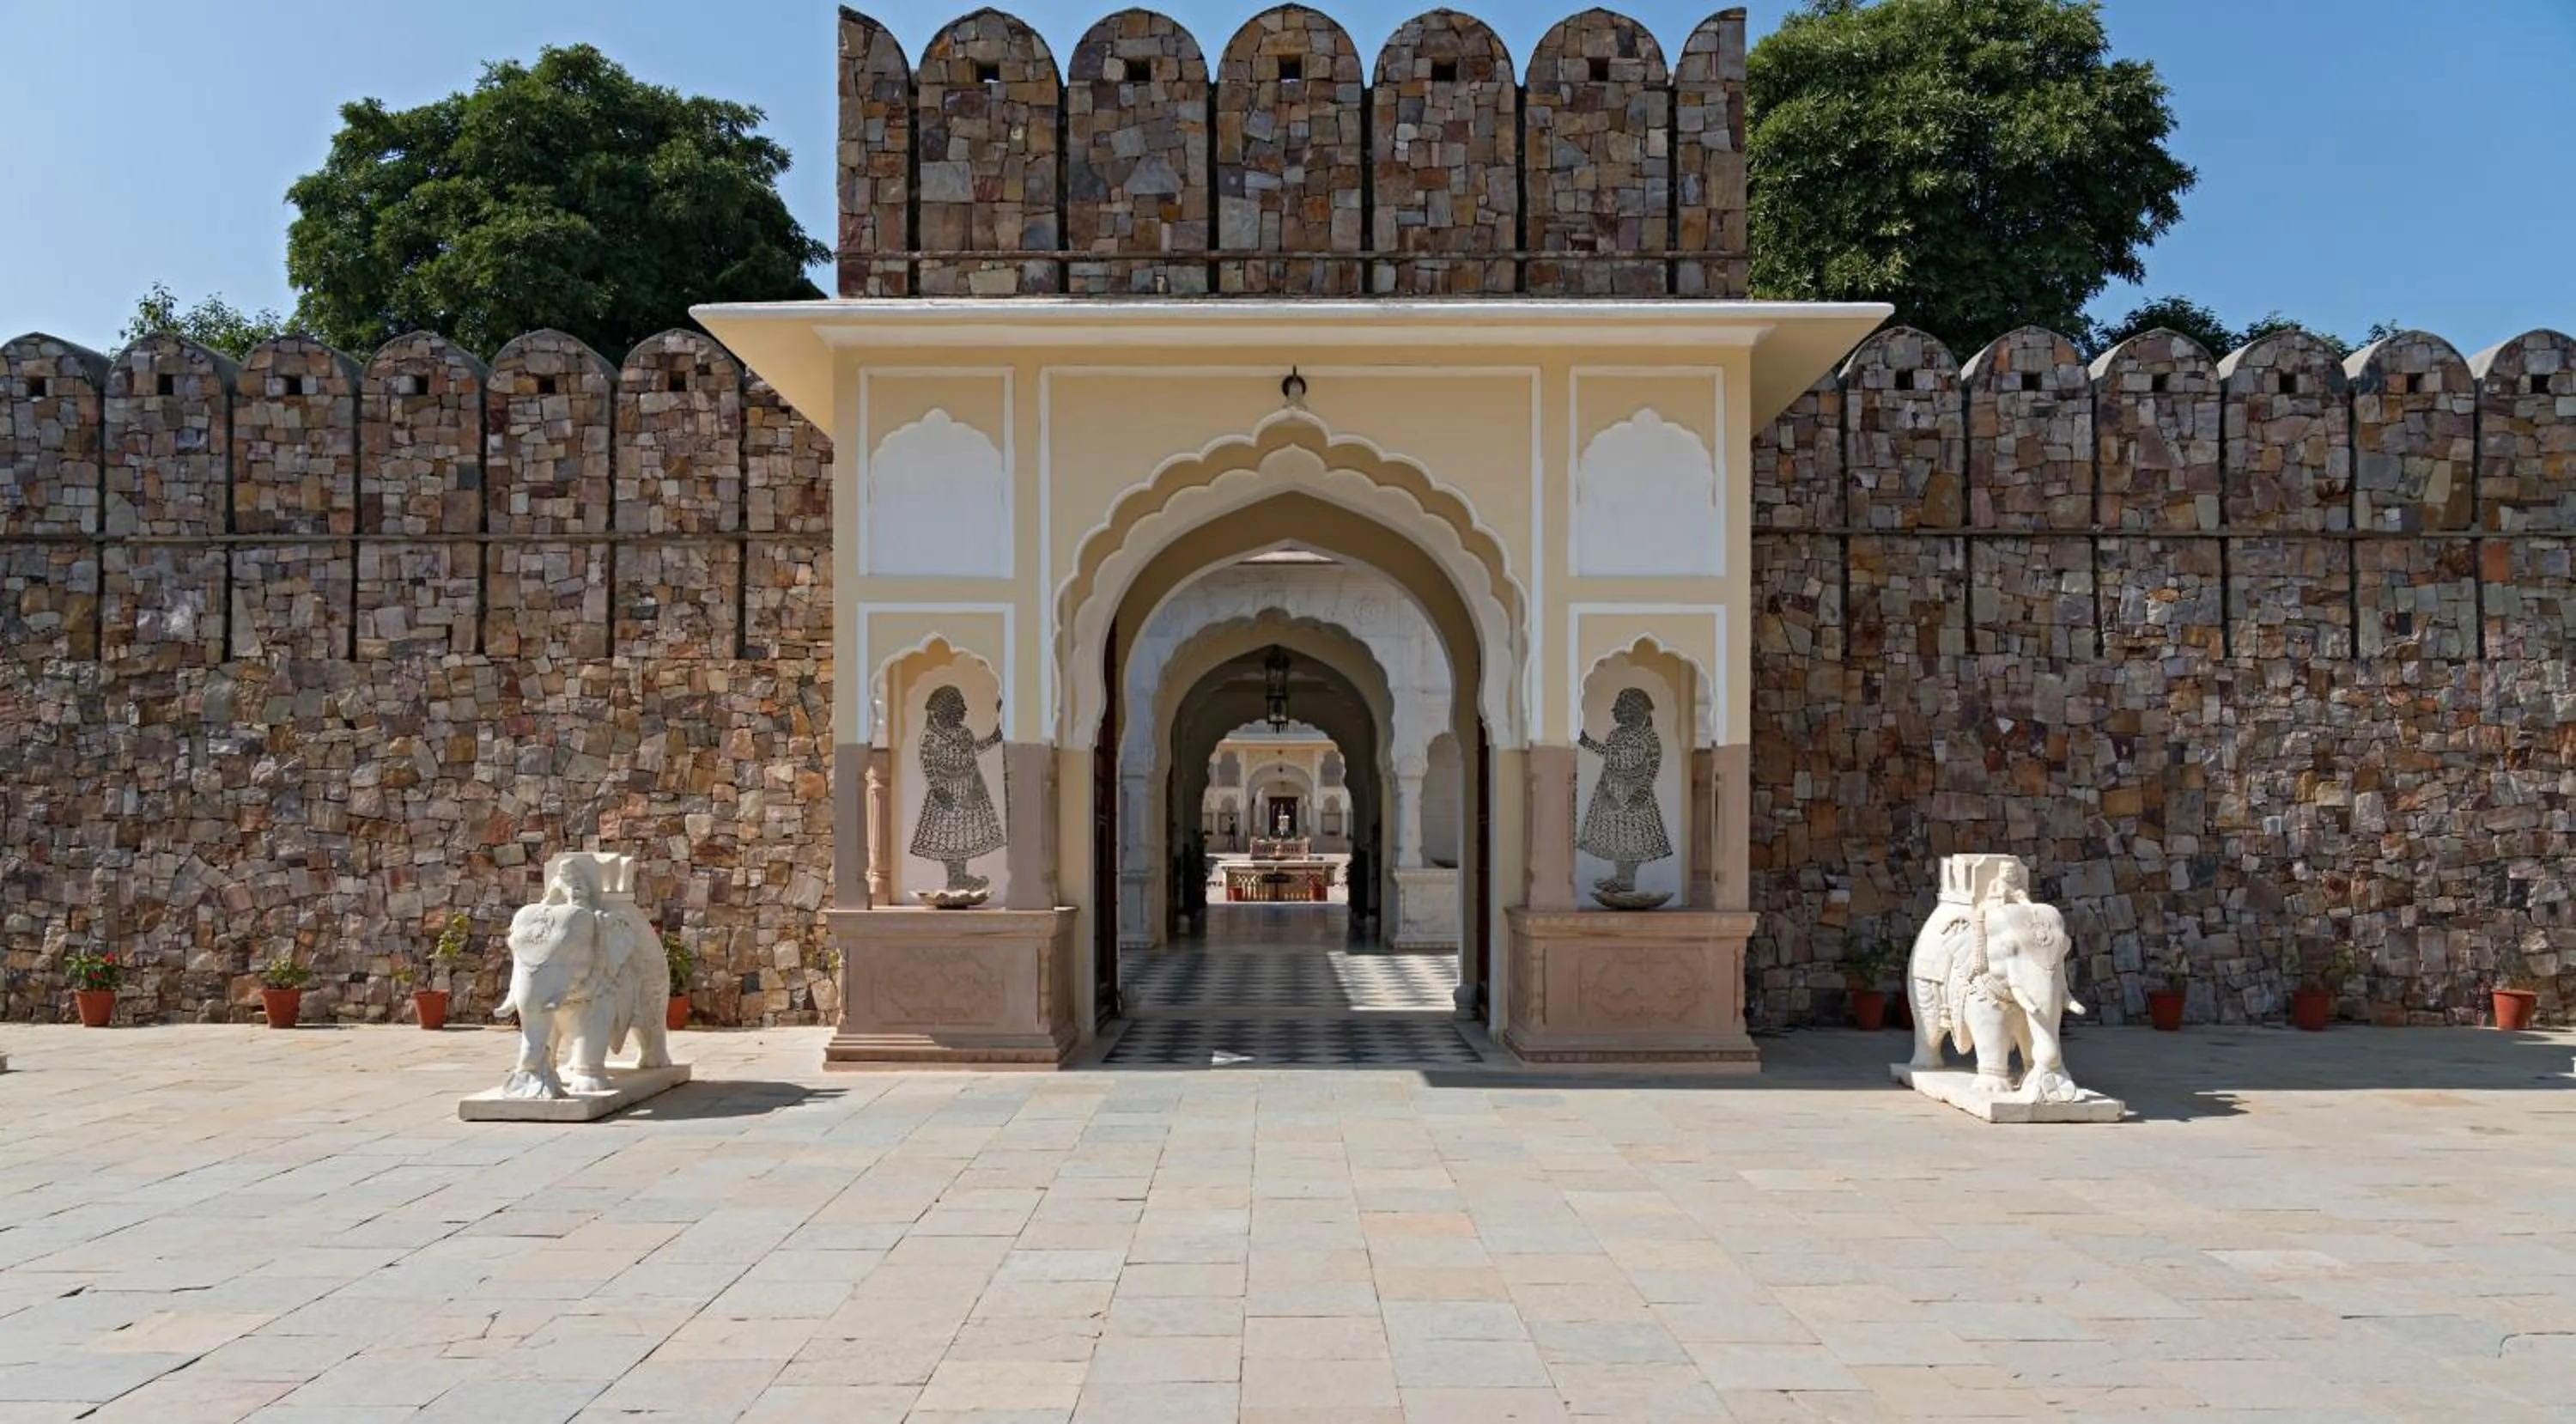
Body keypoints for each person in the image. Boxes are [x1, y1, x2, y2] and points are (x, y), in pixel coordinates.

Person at [1576, 686, 1674, 893]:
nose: (1617, 711)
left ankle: (1626, 880)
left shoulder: (1649, 737)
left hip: (1636, 795)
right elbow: (1609, 755)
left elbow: (1653, 765)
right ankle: (1622, 879)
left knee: (1632, 840)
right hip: (1612, 791)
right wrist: (1587, 743)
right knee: (1619, 839)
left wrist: (1643, 790)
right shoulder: (1616, 734)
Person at [911, 685, 1006, 891]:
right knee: (950, 836)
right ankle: (956, 877)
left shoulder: (964, 733)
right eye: (959, 706)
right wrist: (937, 789)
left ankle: (959, 878)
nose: (964, 710)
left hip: (967, 787)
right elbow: (928, 765)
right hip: (946, 793)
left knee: (962, 837)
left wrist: (995, 737)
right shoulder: (930, 736)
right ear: (947, 709)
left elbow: (973, 751)